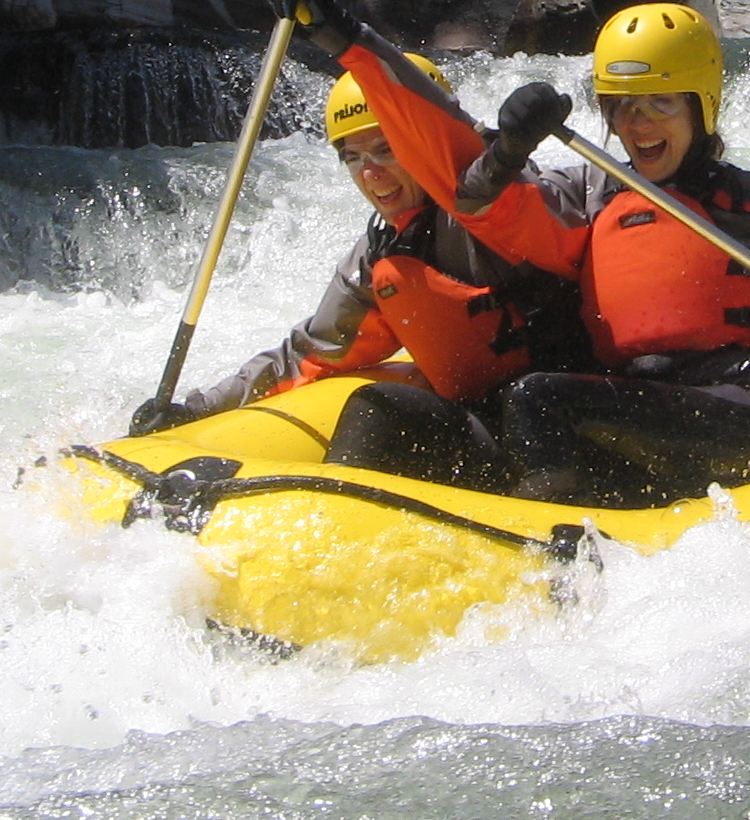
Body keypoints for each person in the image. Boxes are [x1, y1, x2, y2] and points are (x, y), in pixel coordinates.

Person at [266, 0, 750, 506]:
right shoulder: (591, 193)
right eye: (618, 105)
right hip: (633, 415)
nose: (632, 124)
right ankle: (319, 572)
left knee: (540, 400)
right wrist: (506, 149)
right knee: (386, 412)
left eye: (655, 104)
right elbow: (475, 192)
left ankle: (557, 583)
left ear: (702, 104)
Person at [130, 54, 588, 492]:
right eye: (353, 157)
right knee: (378, 408)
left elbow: (519, 200)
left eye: (386, 149)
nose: (370, 173)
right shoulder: (379, 256)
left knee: (385, 410)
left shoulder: (511, 204)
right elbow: (305, 356)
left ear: (426, 141)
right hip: (495, 430)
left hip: (576, 423)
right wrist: (194, 410)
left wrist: (505, 151)